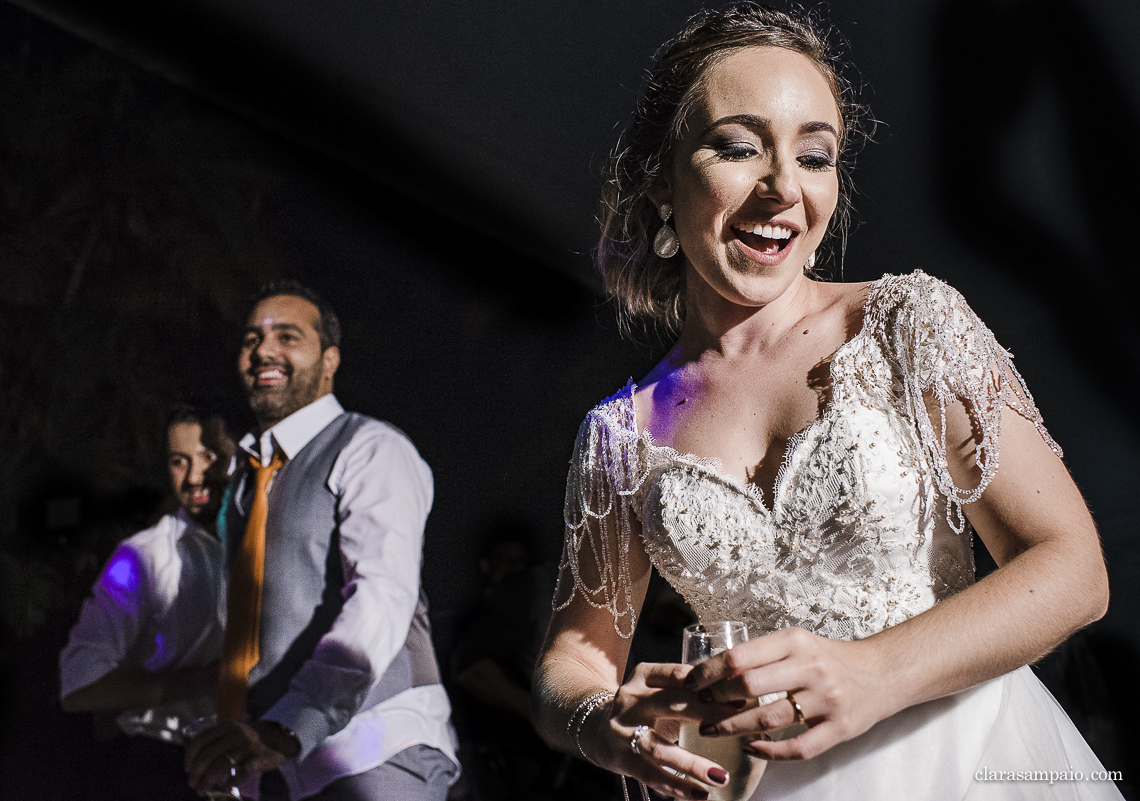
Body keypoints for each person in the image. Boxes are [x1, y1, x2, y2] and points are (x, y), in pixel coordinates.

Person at [532, 5, 1122, 800]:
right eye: (740, 147)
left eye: (814, 156)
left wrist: (874, 670)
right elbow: (573, 660)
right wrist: (600, 723)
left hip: (967, 761)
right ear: (660, 178)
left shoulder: (907, 326)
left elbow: (1073, 569)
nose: (782, 187)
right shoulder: (619, 435)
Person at [184, 279, 459, 801]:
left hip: (372, 756)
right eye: (251, 339)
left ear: (329, 360)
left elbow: (381, 596)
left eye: (287, 336)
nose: (263, 349)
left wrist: (290, 726)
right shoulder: (245, 484)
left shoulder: (371, 448)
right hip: (277, 770)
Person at [59, 407, 235, 795]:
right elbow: (79, 683)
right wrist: (211, 681)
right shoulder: (141, 557)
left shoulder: (277, 541)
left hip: (258, 763)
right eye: (178, 461)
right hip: (164, 766)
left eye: (208, 458)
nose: (193, 477)